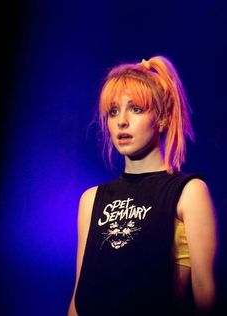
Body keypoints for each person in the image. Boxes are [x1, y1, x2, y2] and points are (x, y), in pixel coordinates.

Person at [68, 56, 217, 315]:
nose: (122, 121)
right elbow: (80, 295)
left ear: (162, 118)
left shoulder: (187, 192)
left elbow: (206, 291)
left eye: (135, 109)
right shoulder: (91, 200)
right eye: (114, 111)